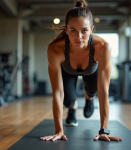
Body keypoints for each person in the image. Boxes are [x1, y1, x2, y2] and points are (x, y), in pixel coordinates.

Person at [40, 0, 122, 142]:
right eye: (73, 31)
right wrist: (59, 131)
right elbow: (57, 93)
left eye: (84, 31)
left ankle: (88, 98)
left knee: (94, 90)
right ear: (66, 30)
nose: (79, 37)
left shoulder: (103, 48)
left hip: (91, 70)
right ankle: (73, 108)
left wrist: (104, 131)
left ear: (91, 29)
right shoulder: (55, 50)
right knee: (67, 100)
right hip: (68, 70)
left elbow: (104, 92)